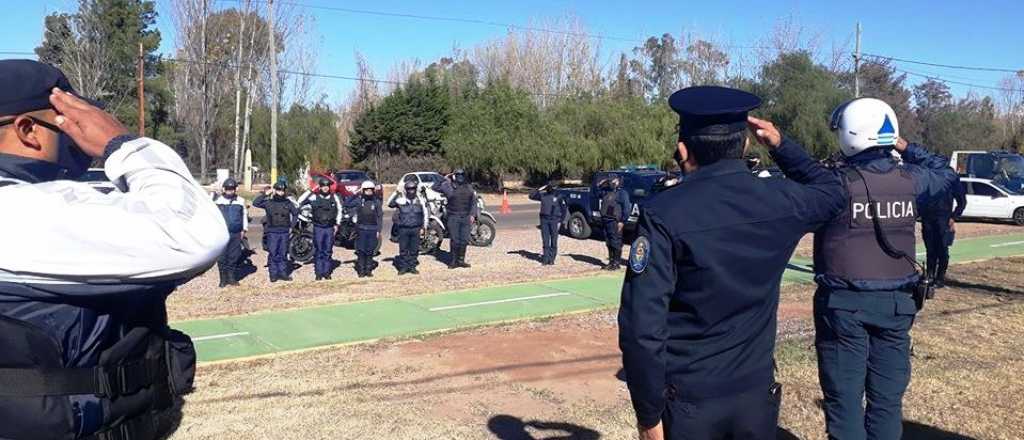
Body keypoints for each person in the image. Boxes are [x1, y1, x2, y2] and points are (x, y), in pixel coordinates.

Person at [0, 60, 228, 440]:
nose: (77, 133)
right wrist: (124, 145)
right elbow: (193, 231)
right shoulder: (27, 210)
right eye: (68, 120)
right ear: (28, 130)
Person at [618, 85, 847, 440]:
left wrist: (648, 416)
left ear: (683, 149)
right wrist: (781, 145)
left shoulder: (664, 213)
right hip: (755, 395)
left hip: (690, 401)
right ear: (745, 145)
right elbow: (834, 192)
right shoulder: (780, 200)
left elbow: (642, 327)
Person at [809, 98, 957, 440]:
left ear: (849, 134)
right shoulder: (913, 180)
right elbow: (946, 174)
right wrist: (905, 146)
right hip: (897, 304)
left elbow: (801, 180)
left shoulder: (835, 183)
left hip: (844, 305)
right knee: (887, 403)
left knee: (844, 401)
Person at [922, 176, 966, 288]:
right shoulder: (927, 176)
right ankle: (930, 276)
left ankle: (940, 278)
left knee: (942, 250)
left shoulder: (950, 178)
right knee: (930, 250)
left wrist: (953, 216)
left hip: (944, 220)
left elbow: (962, 201)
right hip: (928, 219)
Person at [432, 168, 479, 269]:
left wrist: (472, 215)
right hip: (453, 217)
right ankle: (453, 261)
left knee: (465, 240)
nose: (460, 177)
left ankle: (461, 260)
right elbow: (434, 187)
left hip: (466, 217)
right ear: (454, 176)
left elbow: (474, 202)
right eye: (458, 175)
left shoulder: (469, 187)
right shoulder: (448, 186)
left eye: (462, 175)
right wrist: (443, 179)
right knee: (455, 240)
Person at [298, 177, 343, 280]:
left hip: (329, 228)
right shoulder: (314, 197)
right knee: (318, 251)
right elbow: (300, 201)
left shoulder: (334, 197)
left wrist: (337, 224)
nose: (325, 188)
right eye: (323, 186)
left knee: (327, 251)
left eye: (327, 186)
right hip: (318, 228)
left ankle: (326, 272)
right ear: (320, 187)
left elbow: (340, 210)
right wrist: (310, 190)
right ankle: (318, 273)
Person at [254, 180, 298, 282]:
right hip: (272, 232)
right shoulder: (269, 202)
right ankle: (273, 275)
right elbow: (256, 203)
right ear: (275, 190)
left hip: (284, 232)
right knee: (273, 253)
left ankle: (283, 274)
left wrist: (292, 226)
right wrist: (265, 193)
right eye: (278, 190)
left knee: (283, 254)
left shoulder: (288, 203)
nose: (281, 192)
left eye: (282, 190)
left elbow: (296, 213)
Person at [389, 179, 429, 274]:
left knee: (414, 249)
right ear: (406, 190)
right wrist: (396, 193)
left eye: (413, 189)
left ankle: (412, 266)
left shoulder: (420, 200)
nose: (411, 191)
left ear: (415, 189)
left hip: (416, 228)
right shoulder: (401, 200)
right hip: (403, 229)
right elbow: (390, 204)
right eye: (409, 189)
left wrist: (424, 227)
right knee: (403, 249)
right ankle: (403, 267)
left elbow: (425, 214)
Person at [213, 178, 248, 287]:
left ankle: (231, 278)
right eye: (228, 189)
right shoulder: (217, 201)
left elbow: (244, 215)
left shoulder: (240, 200)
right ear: (224, 189)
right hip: (222, 233)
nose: (230, 191)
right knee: (222, 257)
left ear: (235, 189)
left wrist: (244, 229)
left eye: (232, 189)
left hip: (236, 232)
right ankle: (223, 279)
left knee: (234, 255)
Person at [529, 181, 567, 265]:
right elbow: (531, 195)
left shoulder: (559, 196)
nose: (549, 189)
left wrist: (561, 221)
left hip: (554, 220)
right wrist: (539, 188)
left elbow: (564, 210)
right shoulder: (543, 195)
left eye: (551, 187)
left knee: (554, 240)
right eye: (548, 187)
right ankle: (545, 259)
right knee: (545, 240)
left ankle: (552, 259)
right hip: (544, 220)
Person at [353, 180, 383, 277]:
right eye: (366, 190)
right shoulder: (359, 201)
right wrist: (356, 193)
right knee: (361, 250)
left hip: (372, 229)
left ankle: (368, 270)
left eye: (371, 189)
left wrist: (379, 230)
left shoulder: (376, 202)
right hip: (361, 229)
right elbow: (348, 203)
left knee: (370, 250)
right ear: (363, 190)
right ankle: (361, 270)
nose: (369, 191)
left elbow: (380, 217)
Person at [599, 175, 630, 270]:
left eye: (613, 181)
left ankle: (616, 263)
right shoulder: (606, 191)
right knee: (608, 242)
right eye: (610, 181)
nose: (611, 183)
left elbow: (626, 208)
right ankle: (611, 262)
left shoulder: (622, 193)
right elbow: (596, 192)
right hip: (606, 220)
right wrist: (601, 183)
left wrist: (622, 221)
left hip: (615, 221)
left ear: (617, 181)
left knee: (616, 242)